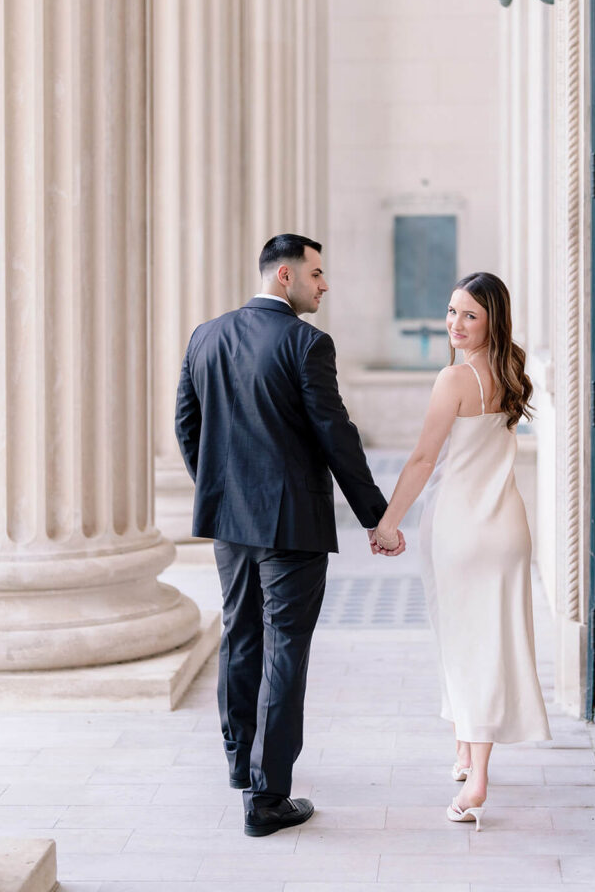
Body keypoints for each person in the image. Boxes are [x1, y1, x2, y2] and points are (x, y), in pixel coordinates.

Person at [175, 233, 405, 838]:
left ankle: (239, 764)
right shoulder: (306, 344)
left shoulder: (206, 336)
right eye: (317, 274)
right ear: (285, 277)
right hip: (290, 527)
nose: (324, 285)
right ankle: (268, 796)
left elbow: (187, 425)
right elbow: (337, 437)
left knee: (240, 636)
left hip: (230, 522)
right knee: (285, 651)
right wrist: (375, 516)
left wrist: (220, 489)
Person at [373, 271, 550, 831]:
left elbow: (424, 460)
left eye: (470, 315)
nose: (456, 324)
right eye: (451, 312)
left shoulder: (454, 379)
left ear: (492, 319)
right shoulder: (512, 368)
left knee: (464, 644)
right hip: (508, 529)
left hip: (460, 530)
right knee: (487, 642)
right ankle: (465, 754)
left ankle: (476, 782)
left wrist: (387, 523)